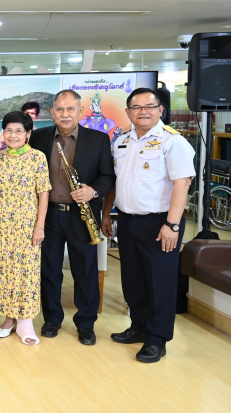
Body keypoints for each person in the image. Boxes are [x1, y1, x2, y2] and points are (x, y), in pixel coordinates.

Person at [101, 88, 195, 363]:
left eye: (149, 106)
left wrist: (172, 225)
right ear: (128, 112)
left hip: (160, 223)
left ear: (160, 110)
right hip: (127, 221)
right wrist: (106, 214)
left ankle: (157, 339)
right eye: (137, 107)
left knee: (160, 282)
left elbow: (182, 184)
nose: (143, 111)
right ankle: (139, 327)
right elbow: (115, 183)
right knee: (133, 280)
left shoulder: (172, 142)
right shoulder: (121, 142)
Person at [28, 89, 115, 346]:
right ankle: (52, 319)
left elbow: (107, 177)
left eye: (70, 109)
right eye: (60, 109)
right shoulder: (39, 137)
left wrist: (93, 191)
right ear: (52, 112)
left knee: (85, 272)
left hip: (82, 217)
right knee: (49, 271)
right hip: (48, 217)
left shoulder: (98, 139)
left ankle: (86, 323)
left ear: (80, 112)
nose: (65, 114)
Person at [0, 111, 51, 345]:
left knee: (26, 273)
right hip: (1, 227)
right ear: (3, 133)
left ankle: (26, 321)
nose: (13, 135)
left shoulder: (37, 158)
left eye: (19, 131)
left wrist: (40, 226)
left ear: (28, 134)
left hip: (27, 227)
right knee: (3, 272)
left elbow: (43, 194)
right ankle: (8, 318)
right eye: (9, 131)